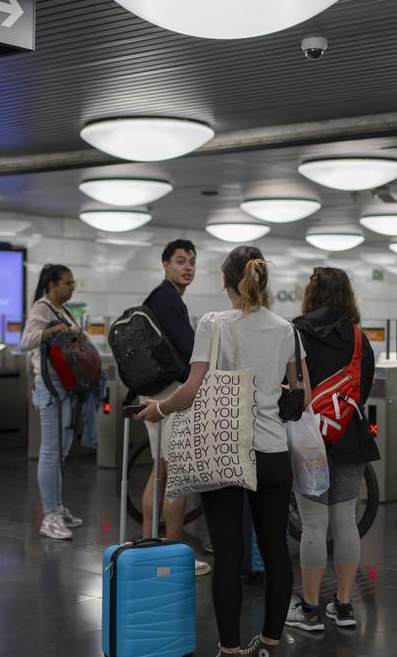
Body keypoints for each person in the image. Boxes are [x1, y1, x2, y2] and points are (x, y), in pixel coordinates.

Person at [136, 245, 307, 657]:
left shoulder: (213, 324)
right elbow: (300, 394)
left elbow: (192, 390)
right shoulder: (287, 329)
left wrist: (158, 409)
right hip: (271, 452)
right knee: (276, 552)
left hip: (225, 450)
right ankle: (269, 642)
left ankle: (229, 649)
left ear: (226, 280)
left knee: (227, 555)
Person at [285, 268, 377, 633]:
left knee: (312, 524)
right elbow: (364, 387)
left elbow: (291, 385)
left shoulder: (296, 331)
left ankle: (309, 609)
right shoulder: (358, 337)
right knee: (345, 521)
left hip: (310, 439)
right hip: (350, 438)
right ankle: (343, 605)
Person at [140, 239, 211, 575]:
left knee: (161, 473)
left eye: (192, 262)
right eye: (180, 261)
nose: (188, 267)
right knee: (175, 476)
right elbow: (189, 348)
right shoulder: (167, 298)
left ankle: (147, 548)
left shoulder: (163, 298)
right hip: (168, 396)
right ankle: (171, 555)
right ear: (165, 265)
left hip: (154, 393)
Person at [21, 264, 91, 540]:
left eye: (73, 283)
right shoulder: (42, 307)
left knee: (61, 449)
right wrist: (51, 332)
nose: (72, 287)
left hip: (66, 386)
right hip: (50, 385)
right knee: (51, 450)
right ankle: (49, 516)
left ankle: (57, 507)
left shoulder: (63, 311)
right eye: (67, 283)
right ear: (51, 285)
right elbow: (26, 340)